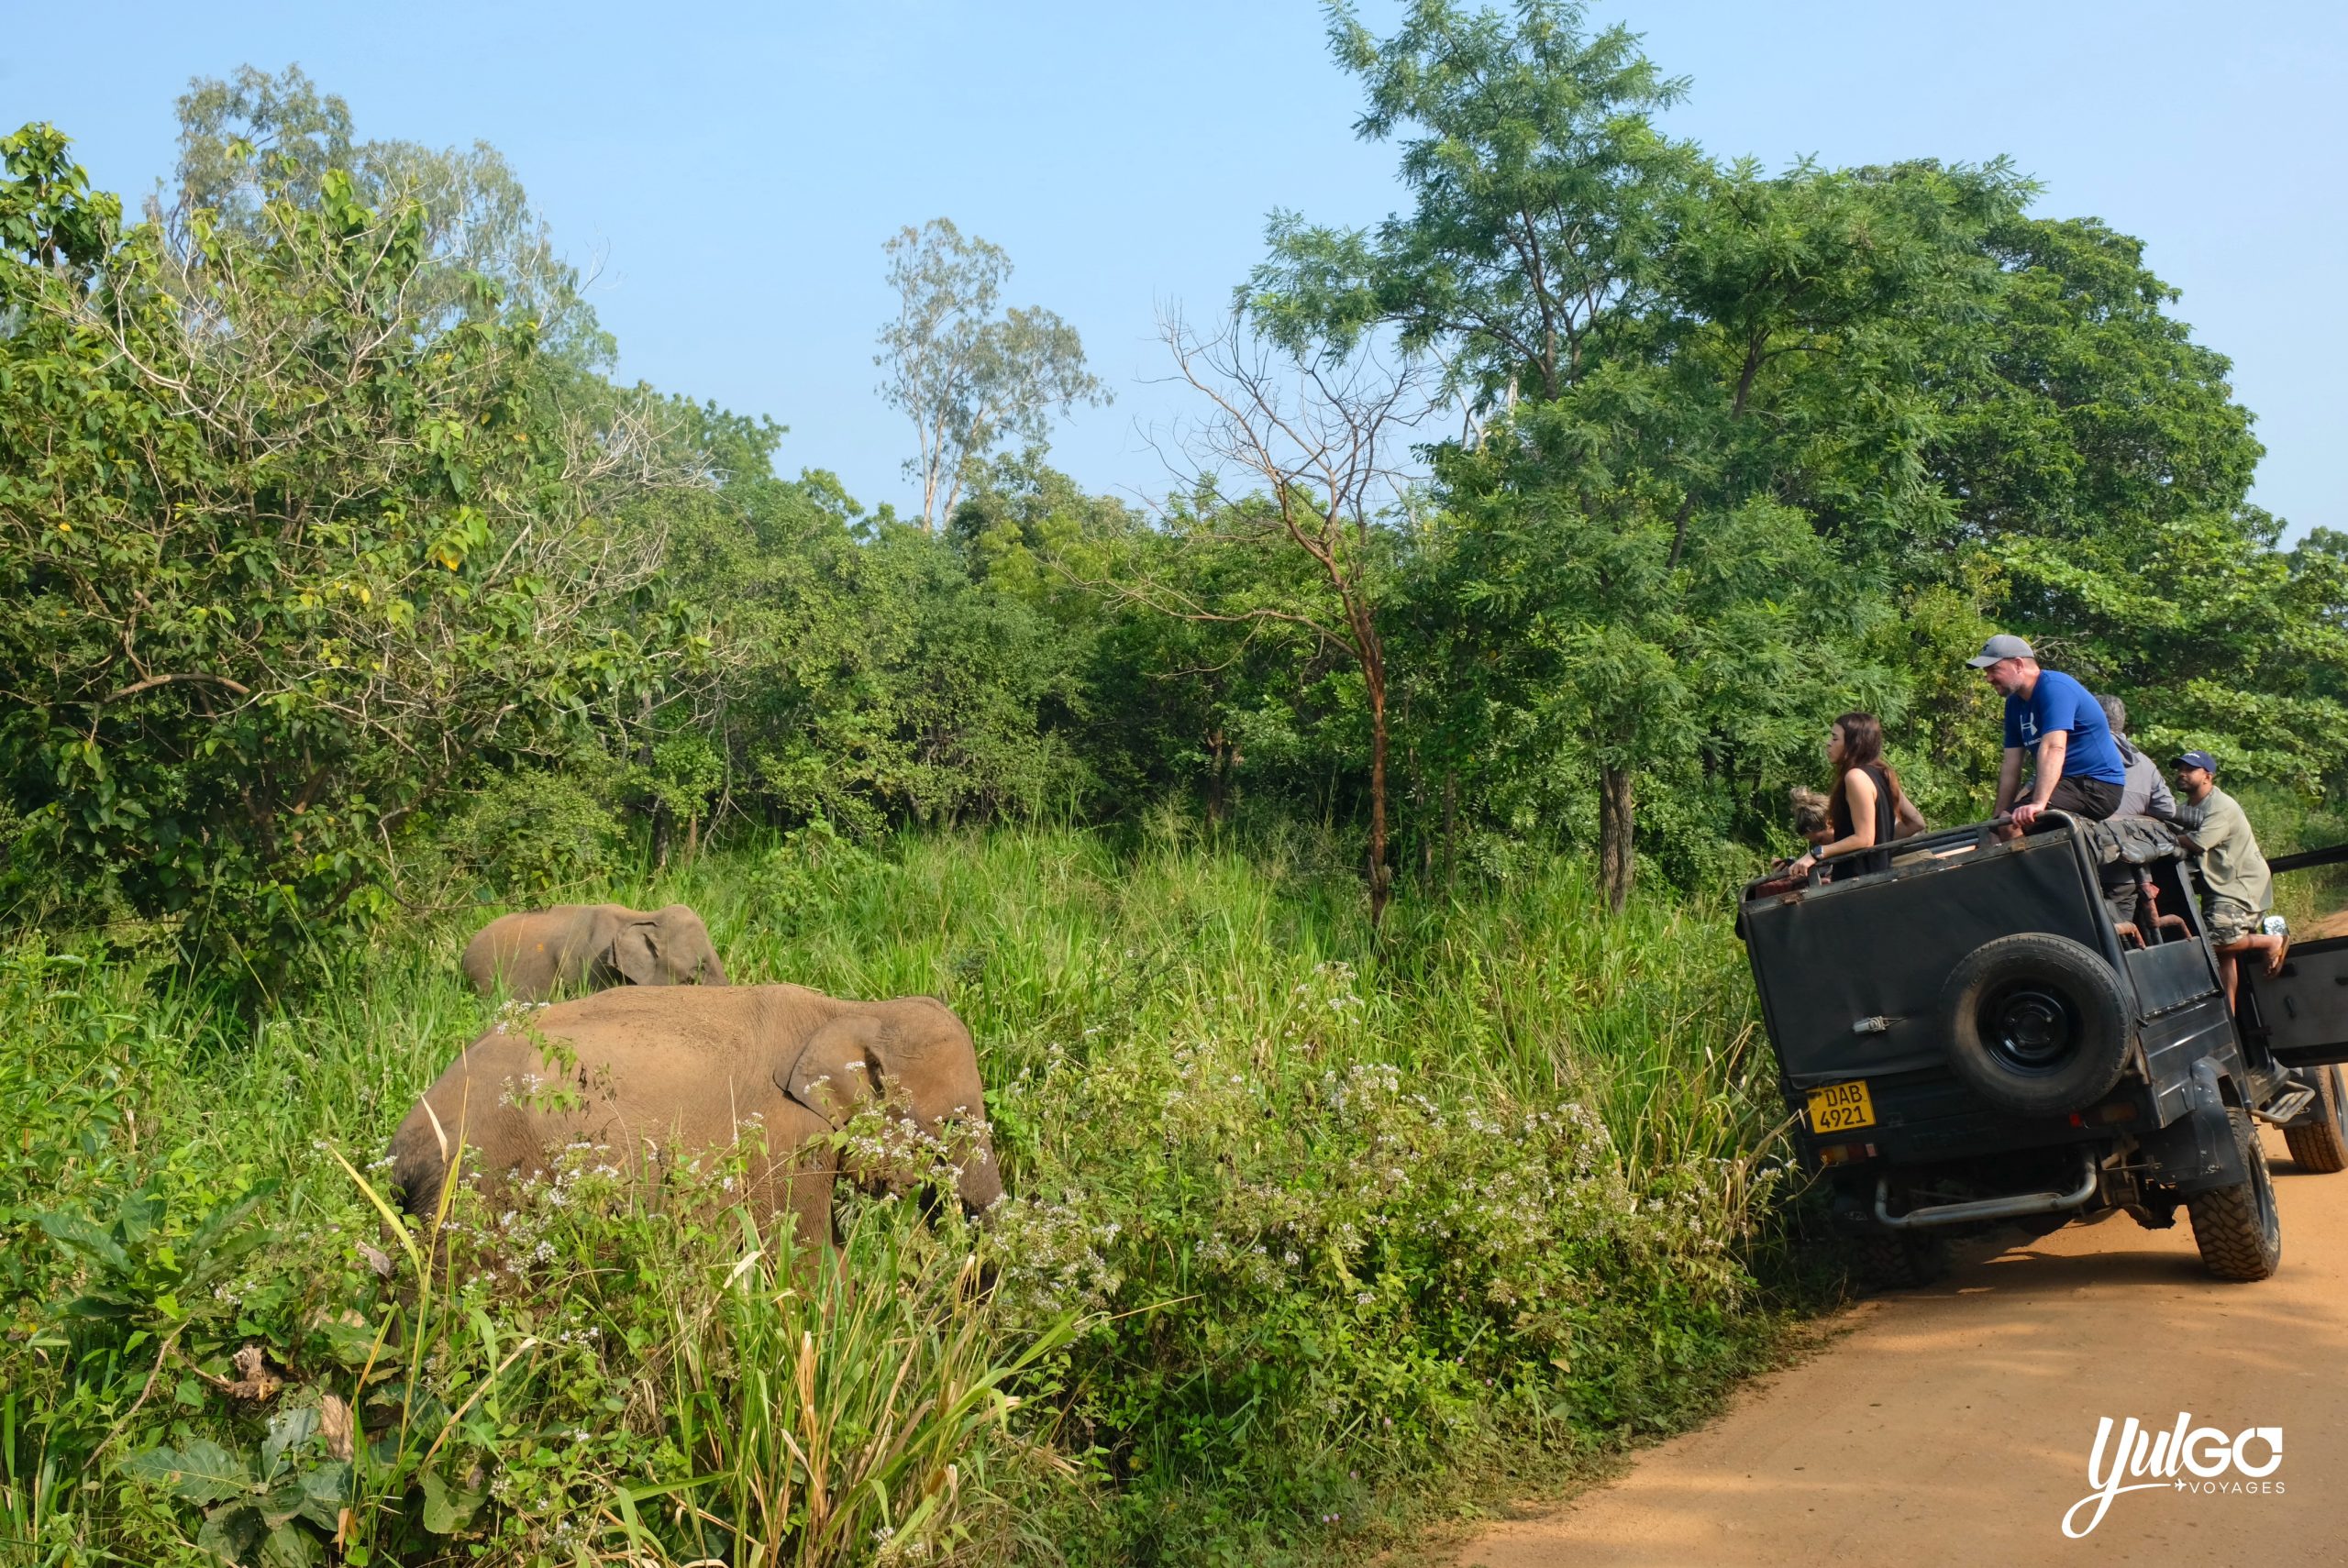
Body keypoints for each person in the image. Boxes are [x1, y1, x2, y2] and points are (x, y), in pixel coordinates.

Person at [1967, 634, 2127, 830]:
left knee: (2012, 825)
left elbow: (2054, 747)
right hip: (2064, 784)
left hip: (2096, 785)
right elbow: (2011, 765)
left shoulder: (2055, 688)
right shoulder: (2014, 703)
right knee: (2002, 824)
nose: (1988, 678)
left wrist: (2038, 803)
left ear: (2018, 664)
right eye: (1986, 672)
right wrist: (1996, 819)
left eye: (1994, 669)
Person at [2170, 748, 2286, 1008]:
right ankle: (2230, 1014)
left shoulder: (2220, 806)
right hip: (2220, 884)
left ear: (2208, 776)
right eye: (2180, 769)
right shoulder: (2189, 807)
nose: (2182, 774)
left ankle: (2270, 941)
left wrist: (2169, 839)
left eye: (2190, 770)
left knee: (2211, 944)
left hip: (2238, 885)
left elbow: (2199, 842)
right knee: (2225, 956)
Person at [1789, 712, 1926, 881]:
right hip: (1875, 878)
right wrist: (1878, 852)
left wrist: (1816, 853)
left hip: (1857, 881)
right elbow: (1916, 822)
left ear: (1854, 743)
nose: (1828, 743)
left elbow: (1864, 839)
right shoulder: (1883, 773)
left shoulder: (1855, 777)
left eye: (1835, 738)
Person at [2096, 694, 2176, 822]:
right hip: (2128, 832)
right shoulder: (2146, 764)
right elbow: (2167, 809)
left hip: (2081, 830)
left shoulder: (2077, 750)